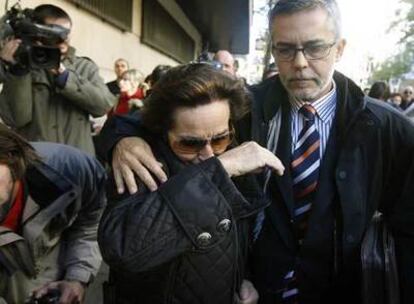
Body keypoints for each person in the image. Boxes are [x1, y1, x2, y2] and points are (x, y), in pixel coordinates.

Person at [99, 0, 414, 303]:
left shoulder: (384, 126)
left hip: (342, 287)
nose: (300, 62)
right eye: (285, 49)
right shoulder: (246, 105)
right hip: (261, 287)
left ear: (340, 48)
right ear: (273, 49)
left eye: (315, 48)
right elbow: (163, 116)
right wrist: (124, 139)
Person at [98, 64, 285, 304]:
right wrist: (219, 172)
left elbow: (238, 237)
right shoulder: (142, 163)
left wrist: (242, 278)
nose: (208, 155)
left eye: (219, 139)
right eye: (189, 144)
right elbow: (122, 248)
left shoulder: (234, 153)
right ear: (162, 131)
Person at [0, 124, 106, 304]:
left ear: (12, 159)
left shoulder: (68, 171)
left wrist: (77, 278)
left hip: (47, 266)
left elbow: (90, 223)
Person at [0, 4, 114, 155]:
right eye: (55, 32)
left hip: (78, 163)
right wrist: (15, 69)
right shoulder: (22, 68)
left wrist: (65, 77)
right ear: (37, 33)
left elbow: (103, 106)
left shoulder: (84, 67)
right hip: (36, 162)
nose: (64, 39)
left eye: (67, 33)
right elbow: (15, 119)